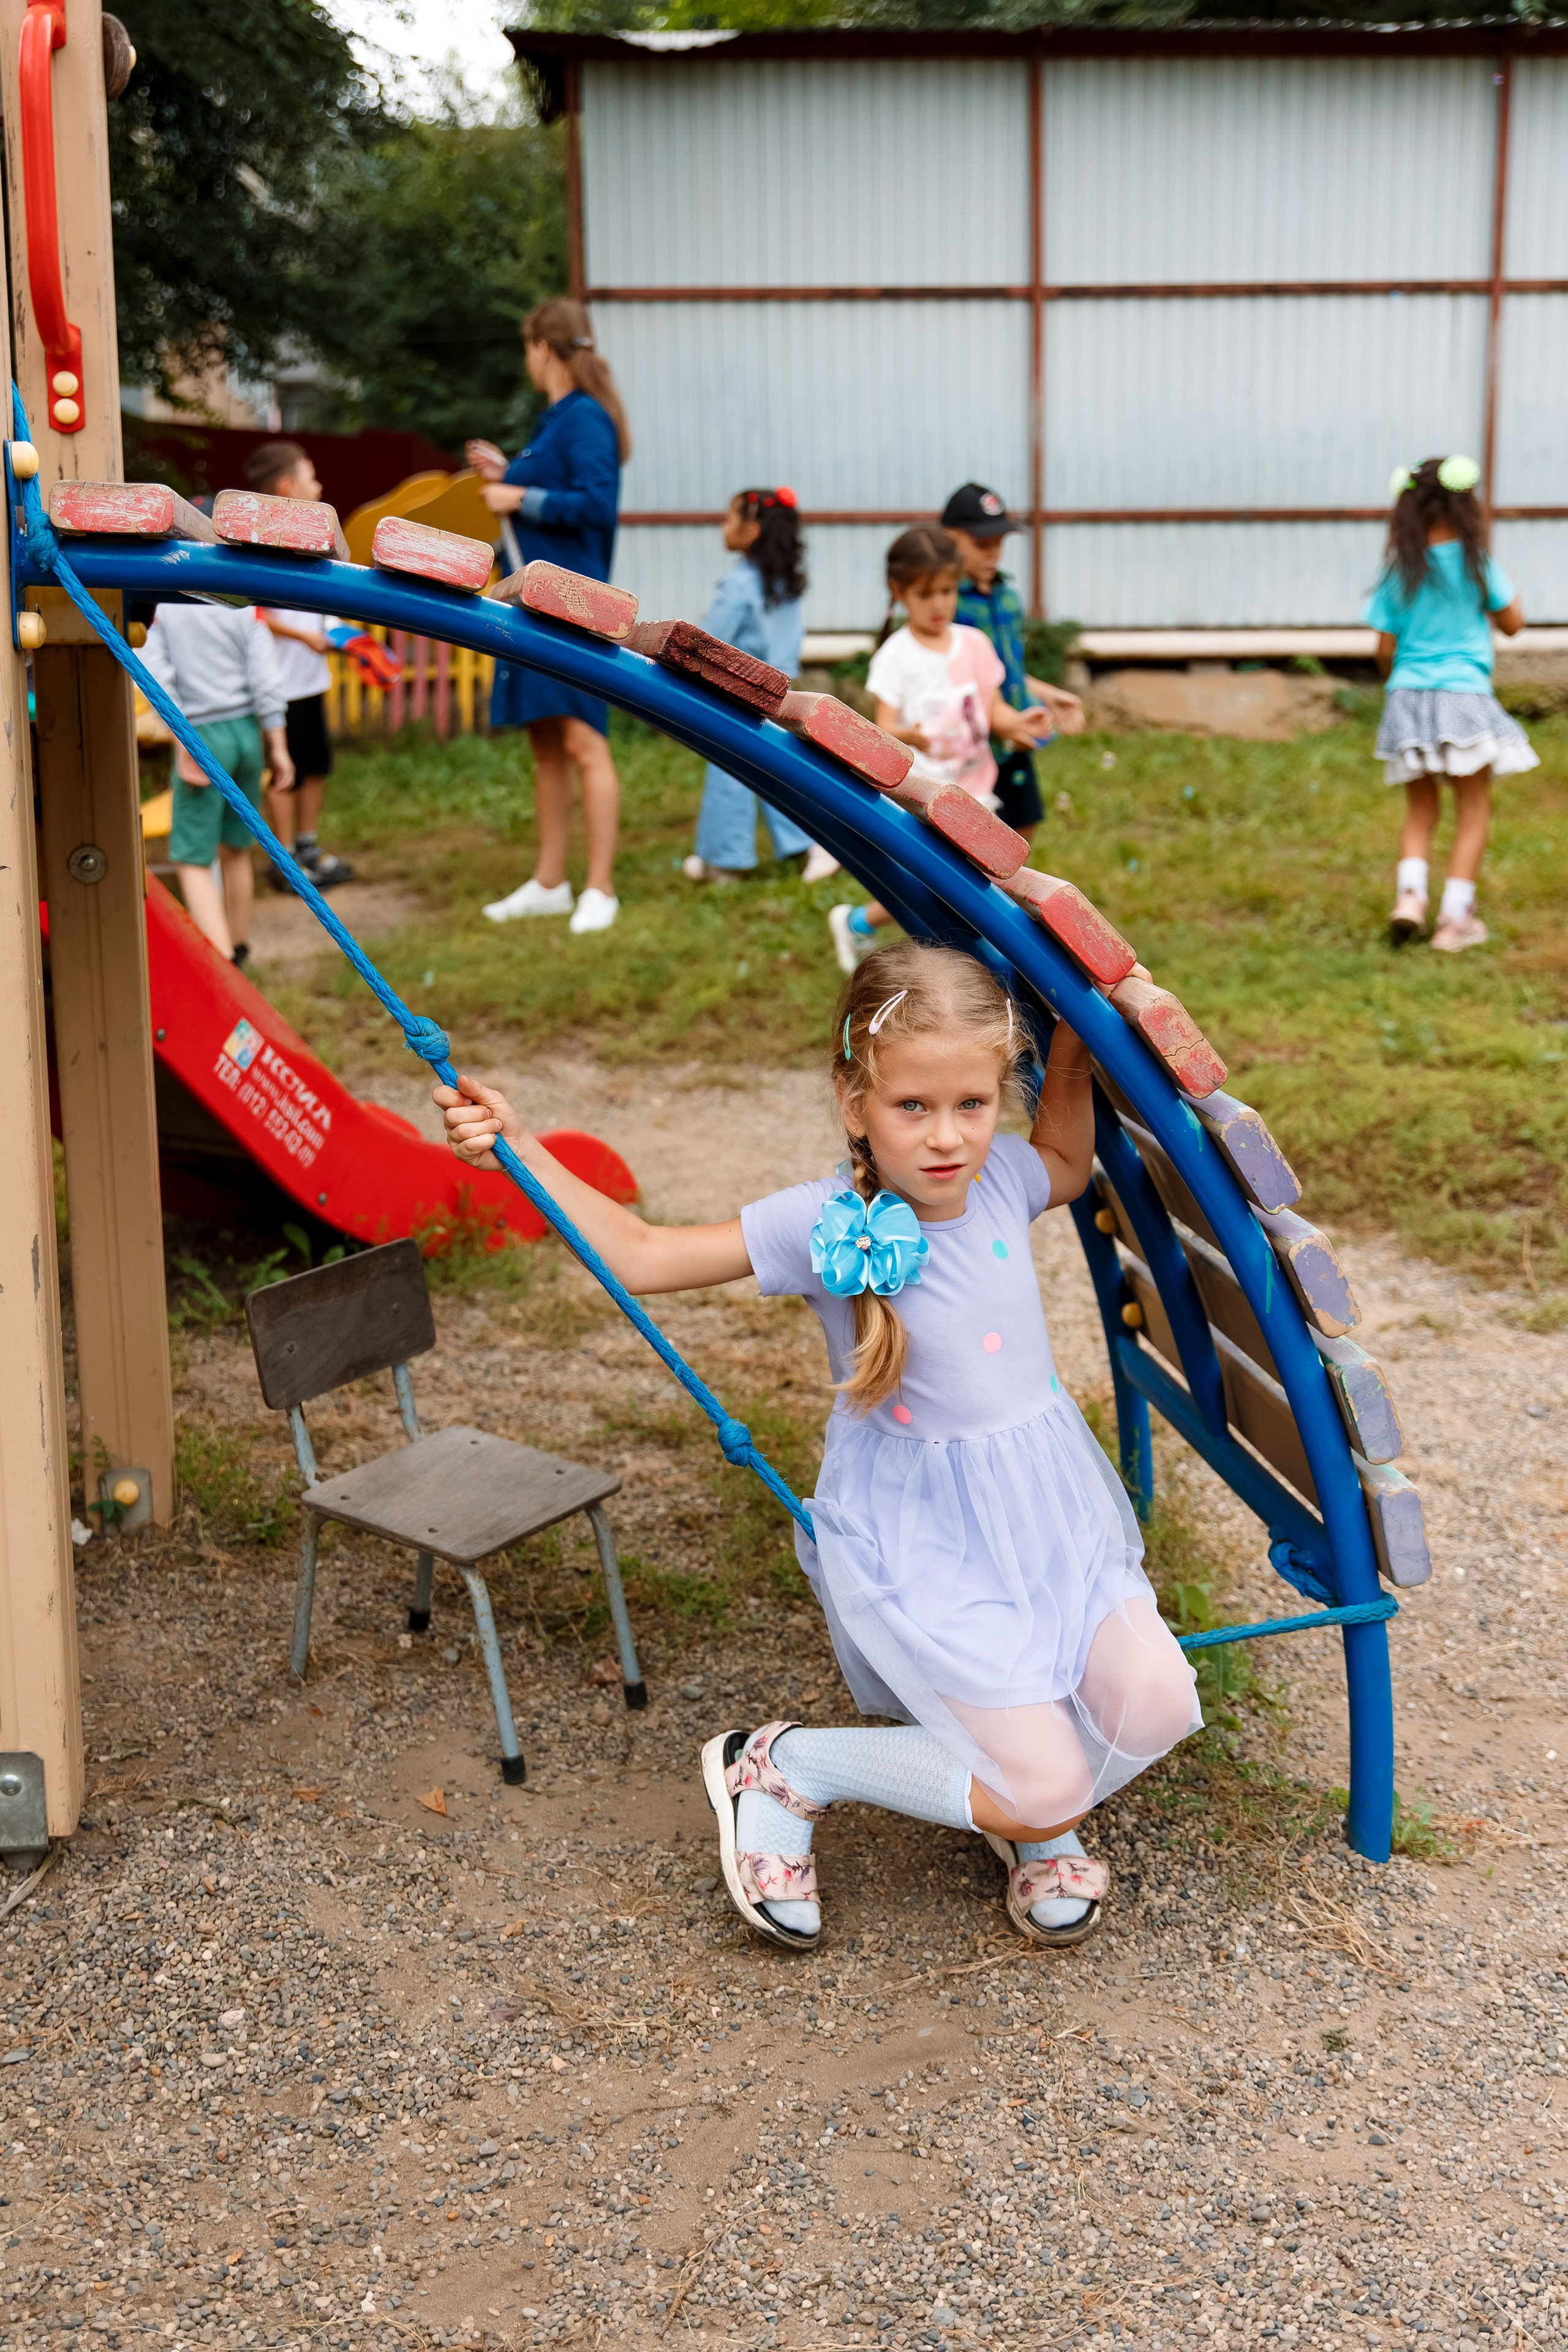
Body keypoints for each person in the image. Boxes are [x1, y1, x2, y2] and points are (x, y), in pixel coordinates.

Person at [437, 942, 1197, 1950]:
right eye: (911, 1108)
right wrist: (520, 1149)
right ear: (854, 1102)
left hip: (1044, 1507)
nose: (945, 1139)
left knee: (1155, 1703)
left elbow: (1062, 1160)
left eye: (972, 1104)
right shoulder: (822, 1223)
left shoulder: (1006, 1179)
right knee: (1047, 1777)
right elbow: (647, 1253)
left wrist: (1067, 1059)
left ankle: (1024, 1802)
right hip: (926, 1533)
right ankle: (791, 1769)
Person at [467, 298, 630, 937]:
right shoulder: (557, 420)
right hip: (536, 601)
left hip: (574, 604)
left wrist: (517, 494)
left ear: (542, 346)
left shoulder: (586, 418)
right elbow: (555, 488)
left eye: (526, 348)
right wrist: (510, 472)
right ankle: (549, 882)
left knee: (585, 743)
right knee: (546, 744)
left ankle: (600, 888)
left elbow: (596, 502)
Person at [827, 526, 1050, 974]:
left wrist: (1020, 723)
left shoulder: (974, 644)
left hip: (977, 792)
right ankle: (960, 961)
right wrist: (912, 736)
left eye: (947, 591)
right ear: (899, 592)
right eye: (925, 593)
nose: (938, 604)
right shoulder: (896, 656)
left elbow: (994, 712)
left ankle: (866, 924)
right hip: (926, 801)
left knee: (965, 887)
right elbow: (884, 729)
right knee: (950, 887)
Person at [1368, 454, 1533, 952]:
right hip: (1463, 695)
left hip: (1407, 697)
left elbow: (1383, 648)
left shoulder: (1402, 569)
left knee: (1420, 810)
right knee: (1473, 809)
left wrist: (1396, 681)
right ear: (1467, 507)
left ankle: (1410, 901)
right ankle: (1455, 920)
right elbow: (1513, 622)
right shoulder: (1475, 562)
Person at [682, 486, 836, 885]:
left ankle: (724, 860)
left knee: (729, 771)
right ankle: (808, 845)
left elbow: (710, 639)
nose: (723, 525)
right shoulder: (784, 584)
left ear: (750, 532)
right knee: (778, 771)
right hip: (779, 691)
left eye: (728, 518)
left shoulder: (739, 585)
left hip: (737, 692)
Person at [141, 601, 293, 967]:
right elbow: (266, 677)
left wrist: (182, 741)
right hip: (246, 733)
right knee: (235, 849)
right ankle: (238, 948)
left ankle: (221, 960)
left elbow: (155, 676)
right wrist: (279, 745)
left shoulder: (163, 607)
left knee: (192, 860)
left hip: (200, 734)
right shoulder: (239, 602)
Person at [942, 480, 1085, 840]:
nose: (993, 555)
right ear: (949, 538)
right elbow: (956, 676)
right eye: (981, 545)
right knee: (964, 842)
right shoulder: (945, 604)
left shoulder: (1006, 596)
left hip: (1016, 733)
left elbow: (1006, 669)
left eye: (999, 544)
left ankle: (1005, 898)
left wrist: (1048, 694)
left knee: (1022, 826)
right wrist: (1001, 721)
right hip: (973, 744)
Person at [246, 439, 355, 889]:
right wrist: (304, 636)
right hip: (280, 683)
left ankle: (307, 847)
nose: (320, 484)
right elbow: (256, 611)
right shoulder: (263, 541)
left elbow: (326, 596)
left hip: (311, 679)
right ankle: (285, 859)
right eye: (311, 476)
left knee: (314, 766)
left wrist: (335, 632)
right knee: (284, 771)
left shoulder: (316, 538)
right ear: (289, 486)